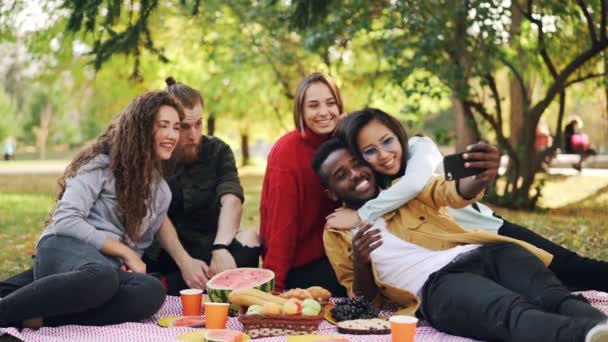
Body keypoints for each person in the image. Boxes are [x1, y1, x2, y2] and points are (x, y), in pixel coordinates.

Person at [313, 137, 608, 342]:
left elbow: (450, 191)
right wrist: (362, 262)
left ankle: (600, 328)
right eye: (341, 174)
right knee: (509, 312)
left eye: (356, 163)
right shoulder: (337, 232)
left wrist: (477, 177)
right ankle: (583, 336)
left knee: (556, 298)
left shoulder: (404, 189)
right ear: (332, 193)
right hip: (439, 285)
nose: (355, 174)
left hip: (491, 253)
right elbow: (365, 301)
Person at [327, 108, 608, 292]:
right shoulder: (379, 183)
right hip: (466, 254)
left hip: (491, 231)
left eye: (387, 141)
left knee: (573, 269)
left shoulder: (418, 148)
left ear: (397, 132)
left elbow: (415, 185)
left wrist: (362, 214)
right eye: (370, 151)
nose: (384, 154)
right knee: (549, 287)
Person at [0, 91, 186, 328]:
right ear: (142, 127)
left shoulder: (161, 192)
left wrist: (130, 259)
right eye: (164, 126)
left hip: (100, 273)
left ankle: (42, 316)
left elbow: (136, 248)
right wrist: (125, 252)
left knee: (150, 291)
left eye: (177, 127)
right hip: (63, 247)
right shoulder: (101, 164)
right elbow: (66, 220)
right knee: (102, 276)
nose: (172, 135)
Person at [143, 77, 261, 295]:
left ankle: (181, 285)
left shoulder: (218, 151)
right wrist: (185, 262)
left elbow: (231, 199)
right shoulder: (154, 154)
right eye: (185, 127)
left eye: (199, 124)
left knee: (251, 238)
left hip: (212, 251)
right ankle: (196, 283)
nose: (194, 135)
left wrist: (221, 247)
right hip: (168, 255)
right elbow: (158, 217)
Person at [259, 72, 346, 294]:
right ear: (301, 110)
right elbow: (282, 225)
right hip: (305, 266)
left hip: (345, 253)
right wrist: (274, 289)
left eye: (330, 103)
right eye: (313, 105)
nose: (324, 112)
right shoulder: (287, 153)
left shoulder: (346, 142)